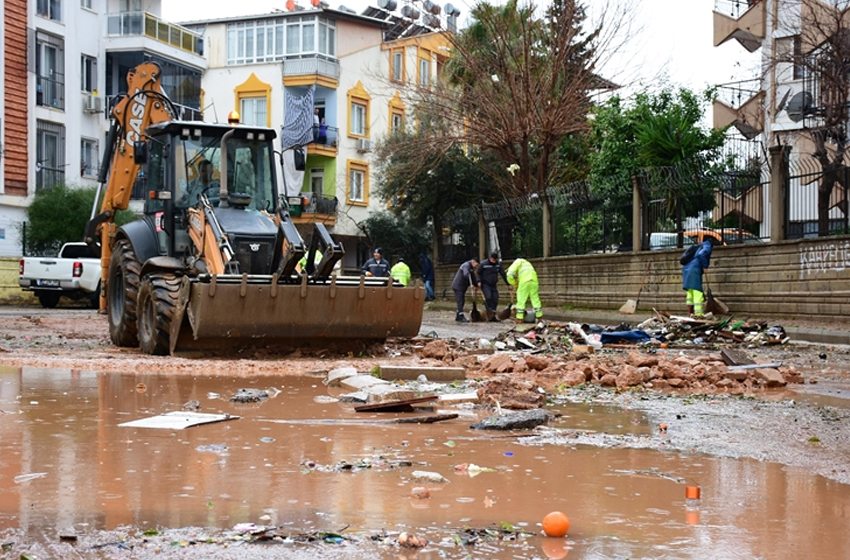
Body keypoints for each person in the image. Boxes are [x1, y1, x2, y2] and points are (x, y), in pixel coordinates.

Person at [682, 240, 713, 317]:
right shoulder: (707, 245)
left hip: (686, 269)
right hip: (694, 270)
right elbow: (701, 254)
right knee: (697, 292)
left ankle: (690, 313)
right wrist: (705, 266)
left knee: (690, 292)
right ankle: (699, 314)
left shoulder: (698, 246)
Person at [506, 258, 542, 323]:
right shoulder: (527, 263)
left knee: (521, 301)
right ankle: (539, 318)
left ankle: (519, 319)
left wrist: (513, 283)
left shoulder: (516, 263)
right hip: (534, 281)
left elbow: (509, 275)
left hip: (524, 282)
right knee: (535, 300)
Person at [478, 251, 509, 321]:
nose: (494, 261)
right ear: (490, 258)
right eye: (492, 259)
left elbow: (503, 274)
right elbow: (478, 273)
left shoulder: (498, 265)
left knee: (495, 298)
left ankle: (493, 315)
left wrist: (508, 284)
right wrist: (478, 281)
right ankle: (489, 313)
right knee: (488, 297)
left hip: (493, 284)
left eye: (495, 260)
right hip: (485, 284)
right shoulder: (483, 264)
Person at [451, 258, 479, 323]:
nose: (476, 266)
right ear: (473, 262)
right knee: (460, 301)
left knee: (462, 300)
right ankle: (460, 316)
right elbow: (466, 274)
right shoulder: (466, 265)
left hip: (462, 287)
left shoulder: (471, 268)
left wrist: (476, 285)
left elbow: (473, 277)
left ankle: (458, 315)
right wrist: (471, 284)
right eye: (476, 265)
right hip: (458, 286)